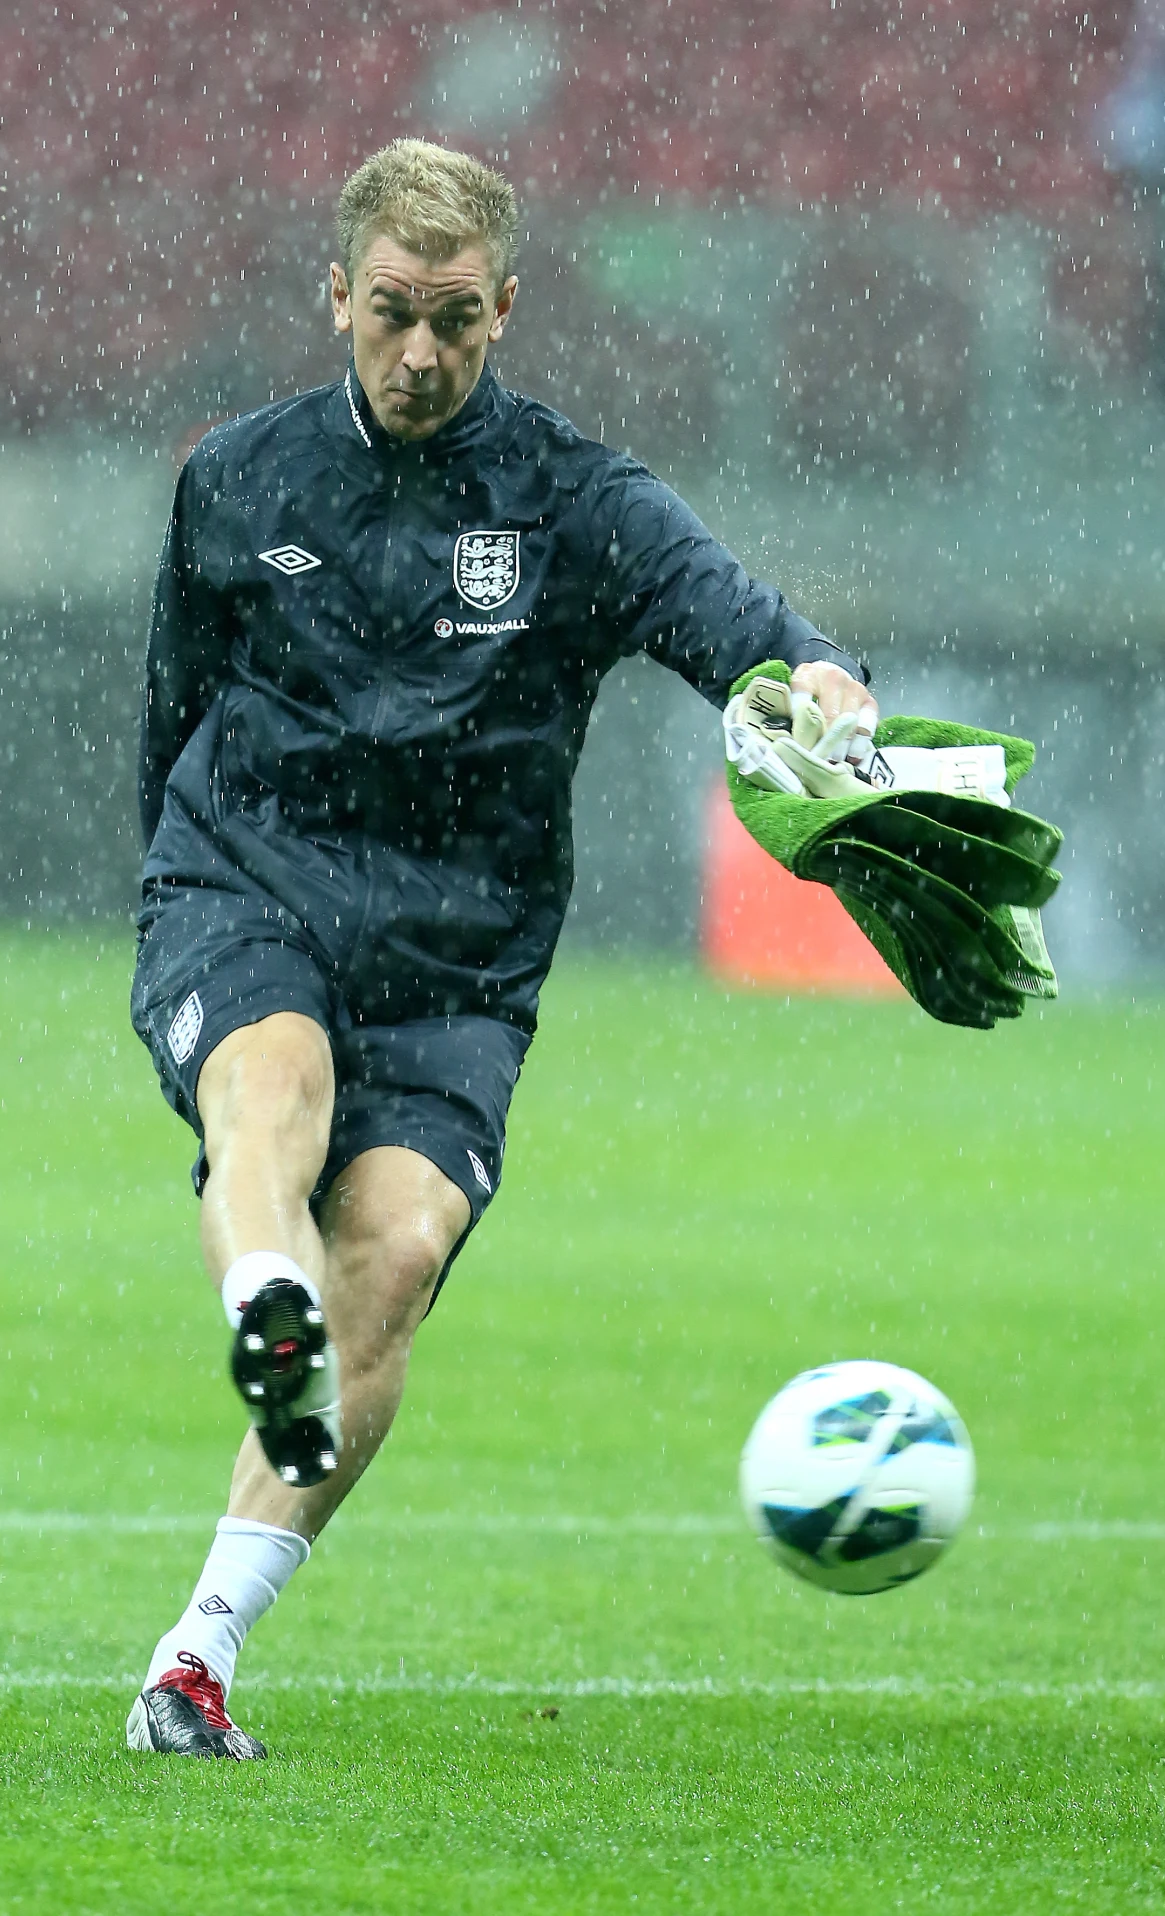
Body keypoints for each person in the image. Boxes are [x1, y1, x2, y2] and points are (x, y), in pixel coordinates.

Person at [125, 137, 878, 1759]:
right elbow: (170, 714)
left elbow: (746, 631)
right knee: (274, 1096)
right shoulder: (237, 479)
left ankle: (196, 1657)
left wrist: (822, 681)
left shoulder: (574, 503)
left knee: (396, 1255)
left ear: (507, 310)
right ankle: (268, 1300)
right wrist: (173, 906)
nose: (422, 352)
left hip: (461, 961)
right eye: (393, 312)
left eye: (457, 319)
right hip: (251, 881)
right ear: (336, 296)